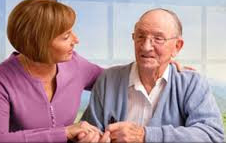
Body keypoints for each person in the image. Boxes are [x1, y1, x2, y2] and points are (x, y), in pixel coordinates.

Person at [81, 8, 224, 142]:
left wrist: (145, 136)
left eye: (158, 39)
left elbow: (212, 135)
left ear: (177, 47)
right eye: (140, 36)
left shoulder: (191, 83)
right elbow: (88, 131)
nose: (146, 46)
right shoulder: (108, 79)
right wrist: (88, 137)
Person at [0, 0, 107, 143]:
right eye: (66, 37)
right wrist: (63, 133)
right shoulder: (1, 80)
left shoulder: (76, 65)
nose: (76, 40)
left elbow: (115, 81)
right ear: (39, 45)